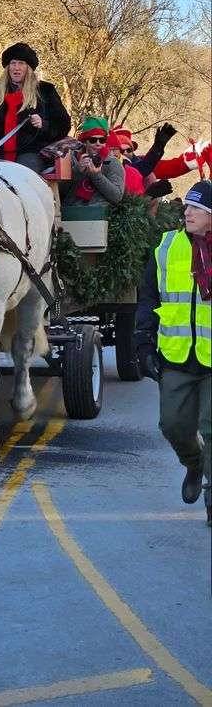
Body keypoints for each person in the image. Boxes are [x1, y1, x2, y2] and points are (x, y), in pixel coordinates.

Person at [135, 180, 211, 526]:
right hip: (177, 355)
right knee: (173, 426)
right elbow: (149, 298)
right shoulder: (166, 247)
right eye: (188, 206)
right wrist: (143, 344)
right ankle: (194, 464)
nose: (187, 211)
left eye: (197, 208)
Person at [0, 43, 70, 173]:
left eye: (21, 63)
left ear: (28, 68)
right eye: (13, 63)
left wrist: (43, 124)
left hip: (31, 153)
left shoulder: (45, 90)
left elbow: (64, 124)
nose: (16, 68)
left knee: (19, 176)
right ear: (7, 68)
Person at [61, 117, 124, 207]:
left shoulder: (112, 163)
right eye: (93, 140)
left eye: (102, 140)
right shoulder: (71, 158)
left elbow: (117, 196)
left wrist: (97, 175)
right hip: (71, 212)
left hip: (99, 214)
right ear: (85, 142)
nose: (98, 143)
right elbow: (60, 191)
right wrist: (78, 171)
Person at [105, 131, 145, 195]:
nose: (112, 153)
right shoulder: (97, 169)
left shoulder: (133, 172)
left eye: (115, 149)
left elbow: (146, 166)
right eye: (109, 150)